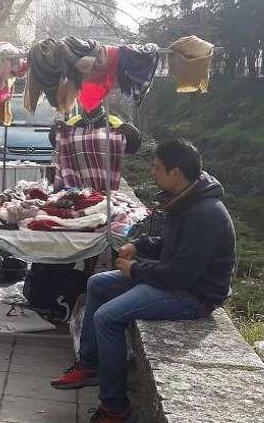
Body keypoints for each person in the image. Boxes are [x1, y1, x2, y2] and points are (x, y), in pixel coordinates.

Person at [50, 139, 236, 423]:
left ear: (176, 172)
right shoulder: (186, 198)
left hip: (192, 295)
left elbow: (180, 275)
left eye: (157, 167)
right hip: (173, 279)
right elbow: (169, 243)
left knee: (108, 317)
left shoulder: (204, 214)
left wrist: (135, 270)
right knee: (98, 284)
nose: (152, 172)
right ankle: (90, 365)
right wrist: (140, 245)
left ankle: (115, 406)